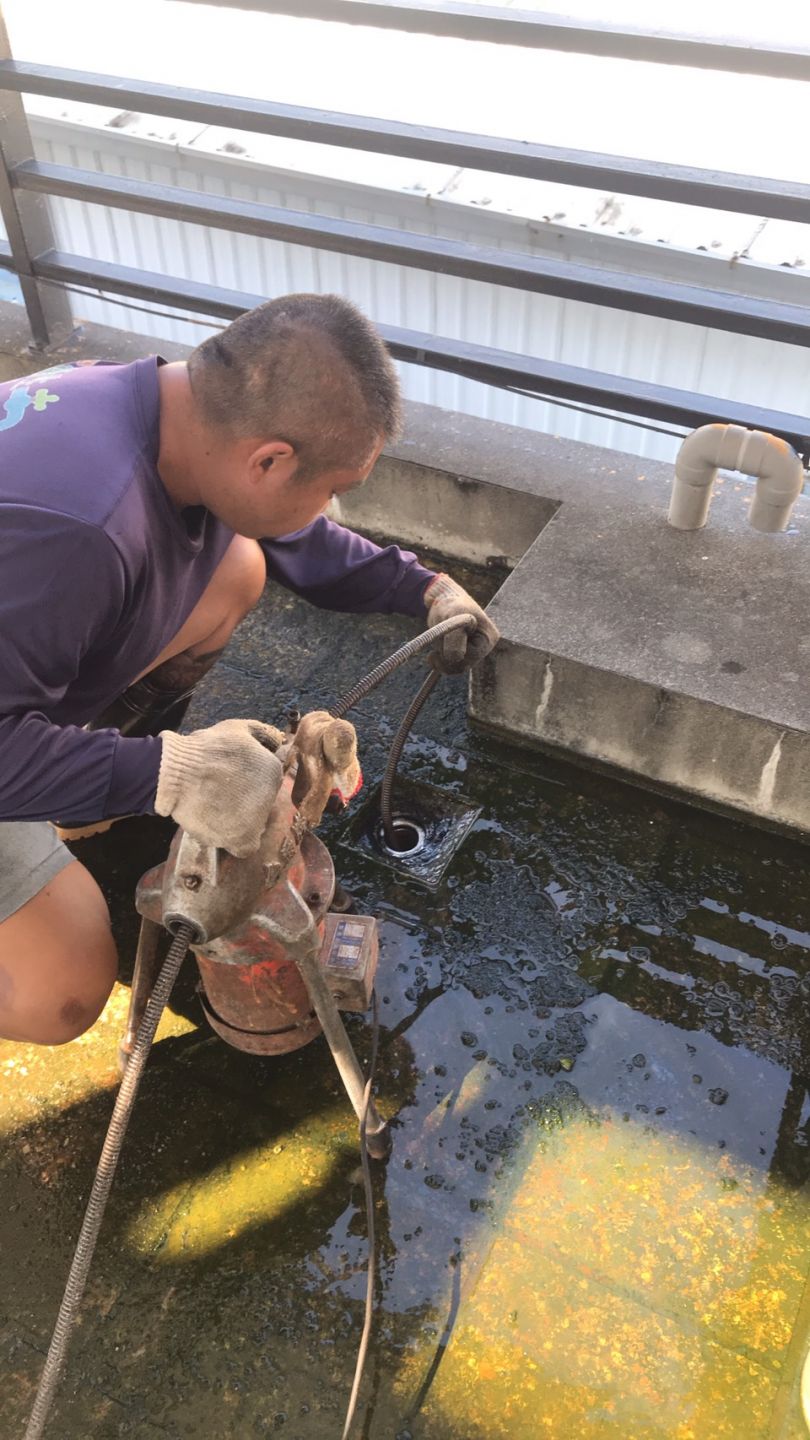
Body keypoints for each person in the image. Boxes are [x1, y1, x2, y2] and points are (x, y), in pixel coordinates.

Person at [0, 293, 499, 1047]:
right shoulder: (79, 532)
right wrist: (169, 773)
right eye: (328, 488)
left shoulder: (159, 413)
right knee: (63, 992)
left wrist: (421, 587)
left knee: (235, 565)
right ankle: (59, 787)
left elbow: (286, 530)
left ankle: (70, 785)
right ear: (268, 458)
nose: (327, 506)